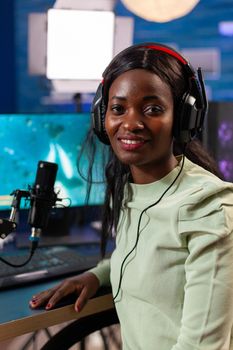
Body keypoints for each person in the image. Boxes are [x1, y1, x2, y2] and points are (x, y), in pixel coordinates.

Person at [29, 43, 233, 350]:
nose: (131, 123)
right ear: (102, 118)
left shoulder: (209, 210)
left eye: (152, 109)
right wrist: (96, 275)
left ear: (183, 117)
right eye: (118, 108)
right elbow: (148, 256)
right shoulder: (129, 187)